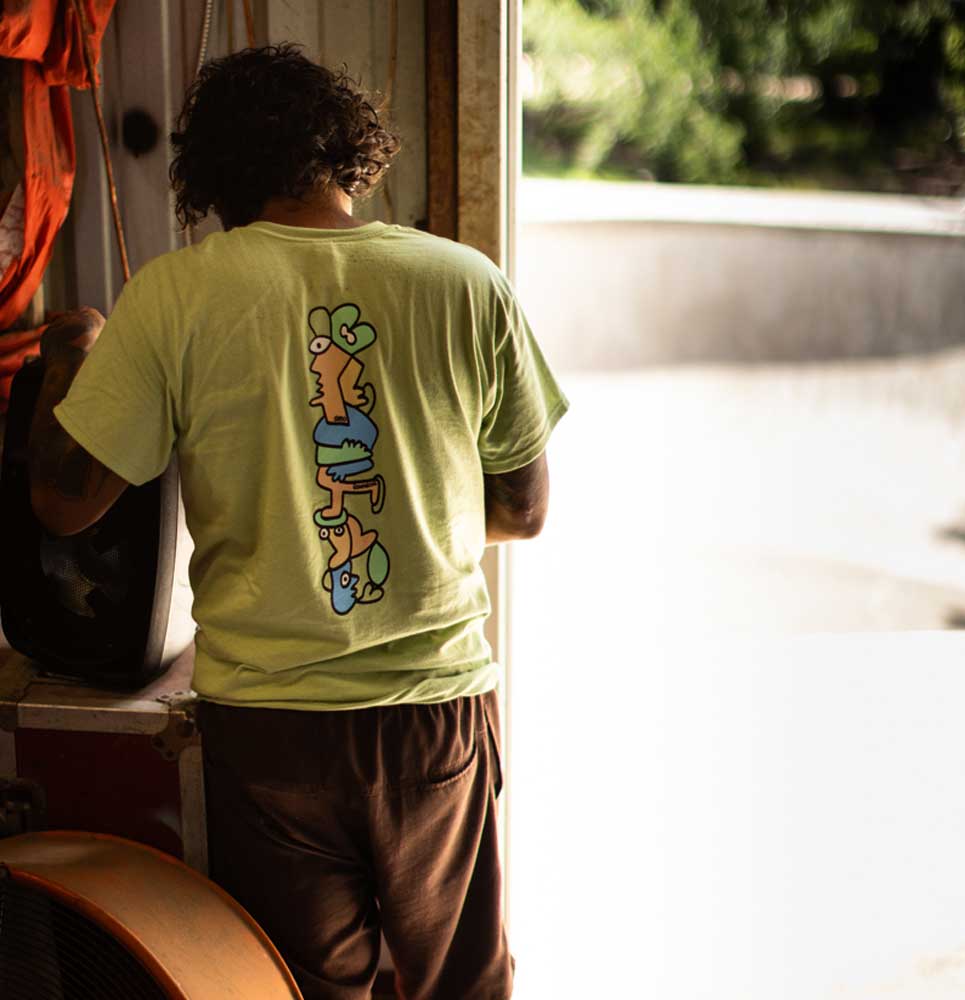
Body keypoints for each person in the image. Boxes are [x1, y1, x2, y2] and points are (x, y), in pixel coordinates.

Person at [28, 44, 567, 1000]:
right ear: (348, 155)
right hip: (432, 715)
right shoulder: (462, 280)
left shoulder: (173, 296)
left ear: (214, 174)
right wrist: (407, 509)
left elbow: (65, 502)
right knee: (461, 986)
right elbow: (522, 512)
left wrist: (70, 346)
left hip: (267, 729)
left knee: (299, 990)